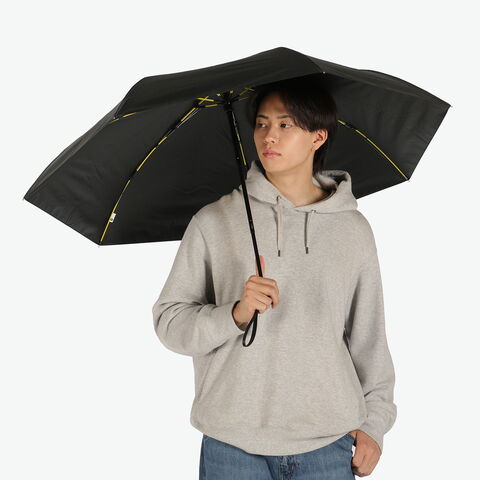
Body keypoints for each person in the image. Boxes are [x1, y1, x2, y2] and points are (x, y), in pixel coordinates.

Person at [152, 76, 397, 479]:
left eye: (285, 124)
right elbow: (169, 323)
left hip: (329, 443)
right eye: (262, 123)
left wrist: (374, 425)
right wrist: (235, 313)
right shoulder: (214, 221)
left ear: (318, 136)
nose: (269, 136)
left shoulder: (353, 230)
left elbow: (369, 337)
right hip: (231, 446)